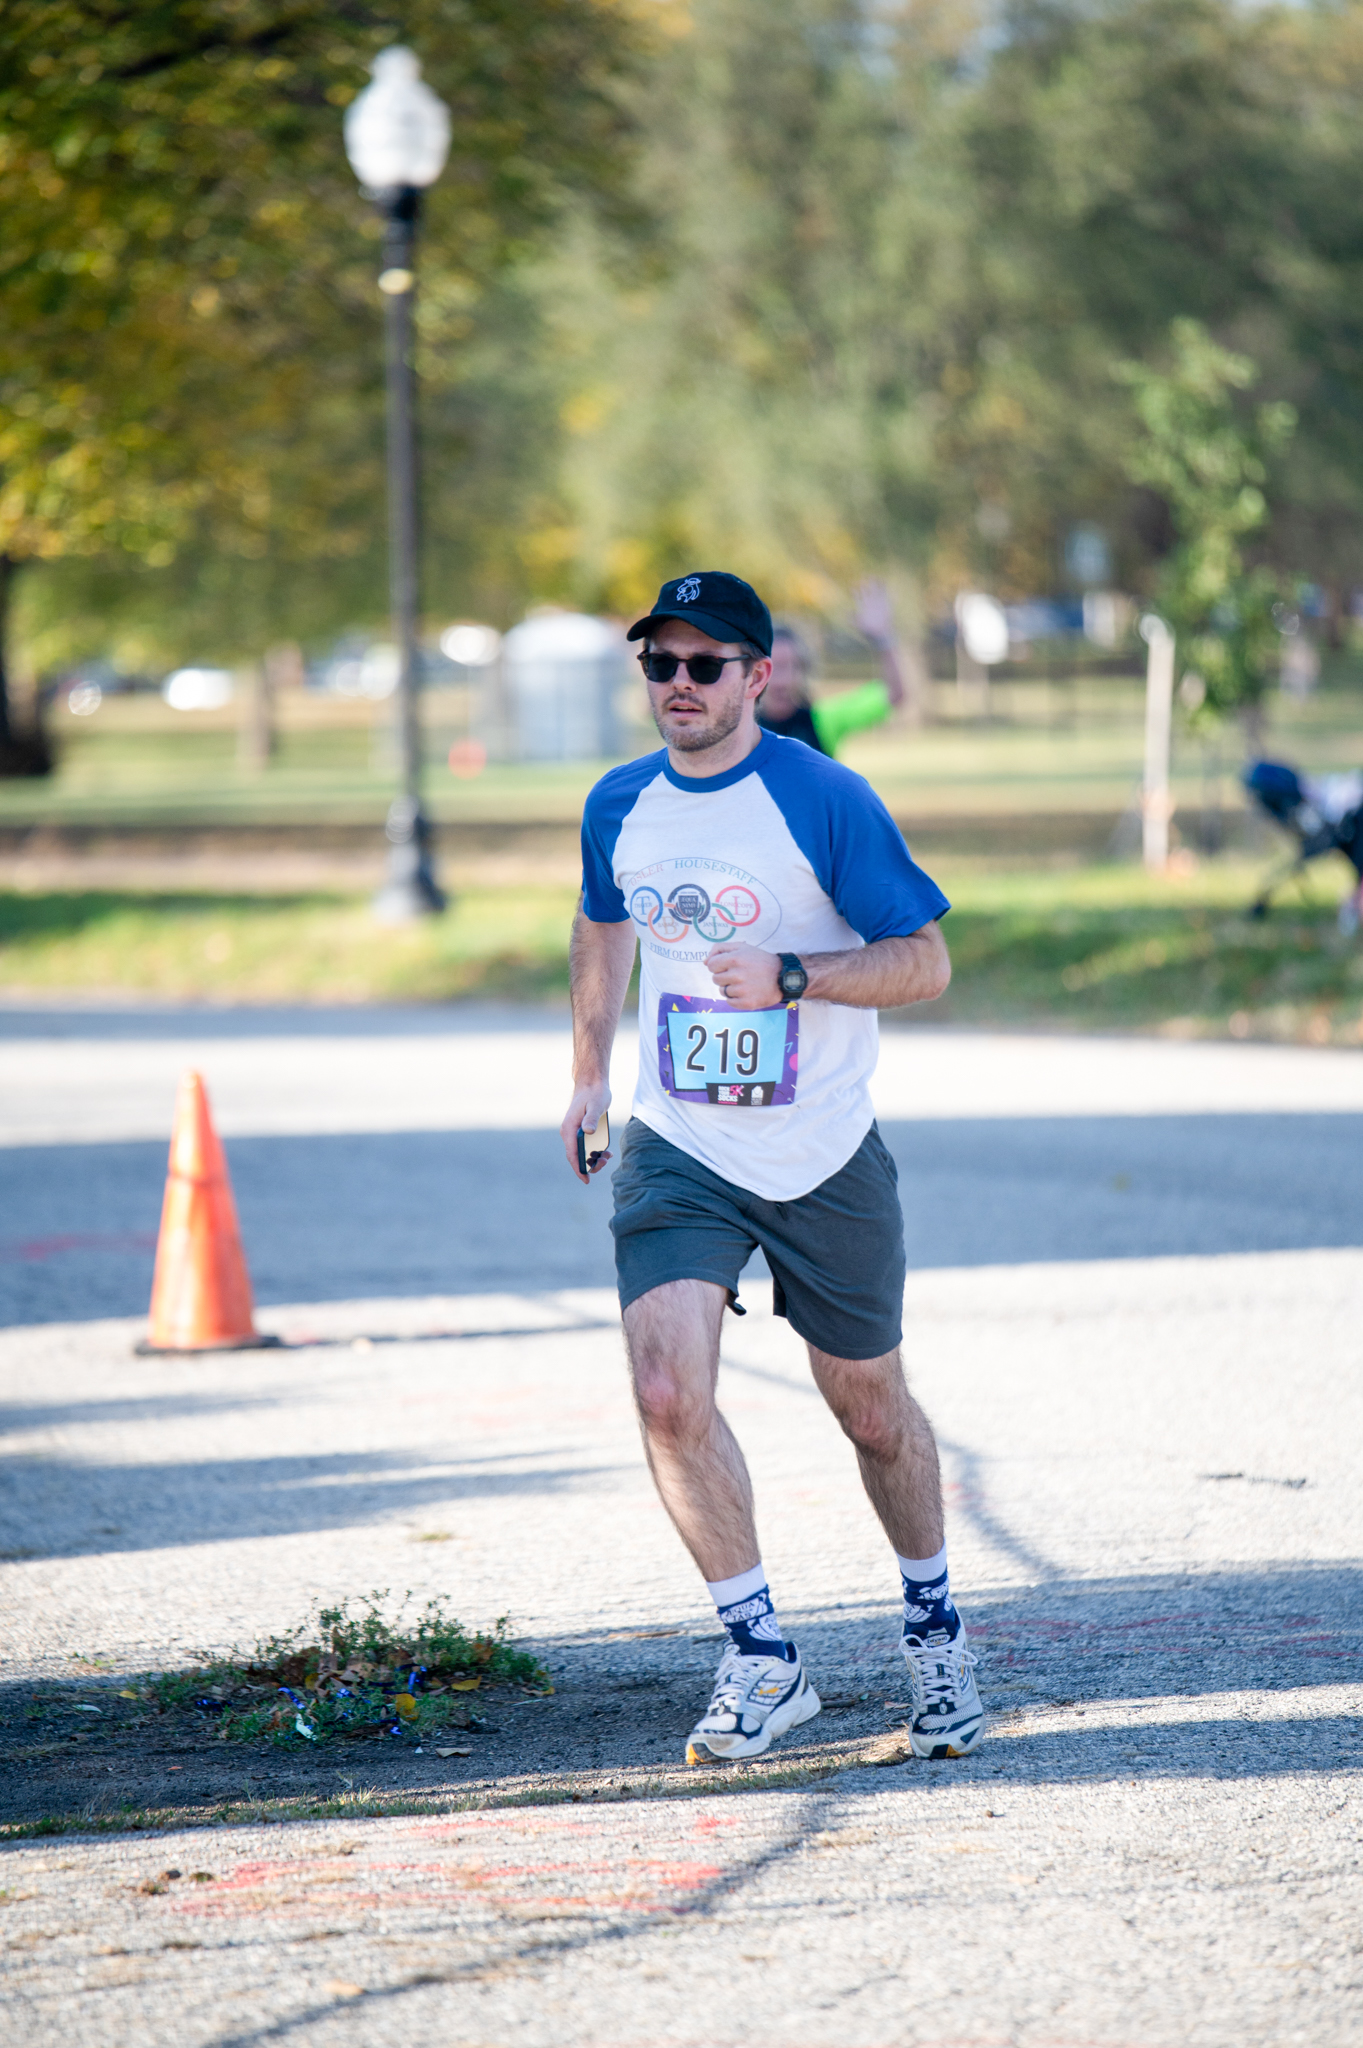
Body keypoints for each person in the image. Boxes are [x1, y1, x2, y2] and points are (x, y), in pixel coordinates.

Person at [559, 569, 984, 1765]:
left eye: (706, 664)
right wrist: (590, 1068)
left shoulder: (824, 798)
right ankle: (759, 1657)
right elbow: (602, 921)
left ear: (758, 676)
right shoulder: (618, 803)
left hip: (823, 1149)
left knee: (871, 1411)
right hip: (681, 1143)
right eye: (660, 663)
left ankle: (934, 1623)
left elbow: (926, 961)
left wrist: (798, 974)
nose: (679, 684)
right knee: (663, 1391)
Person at [757, 578, 909, 754]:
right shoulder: (742, 729)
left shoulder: (822, 722)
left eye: (794, 667)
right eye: (776, 668)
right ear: (756, 673)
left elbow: (895, 695)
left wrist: (883, 639)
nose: (784, 680)